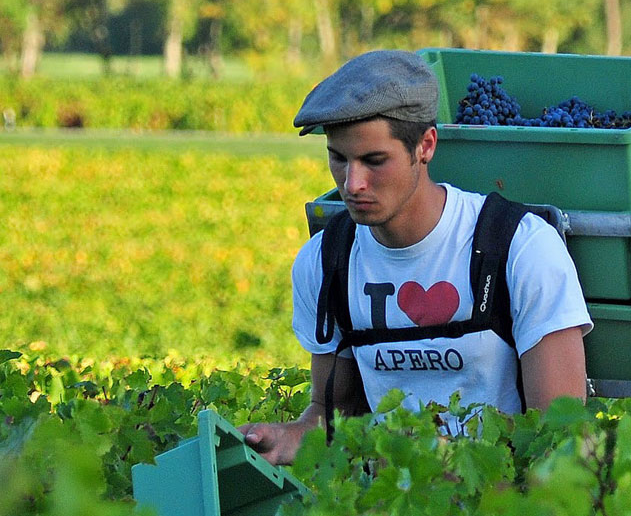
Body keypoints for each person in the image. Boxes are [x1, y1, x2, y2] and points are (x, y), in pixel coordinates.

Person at [240, 49, 592, 466]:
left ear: (425, 146)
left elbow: (561, 439)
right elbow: (333, 417)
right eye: (338, 158)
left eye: (374, 161)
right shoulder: (326, 260)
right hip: (392, 510)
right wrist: (286, 438)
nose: (352, 184)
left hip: (505, 507)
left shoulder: (520, 247)